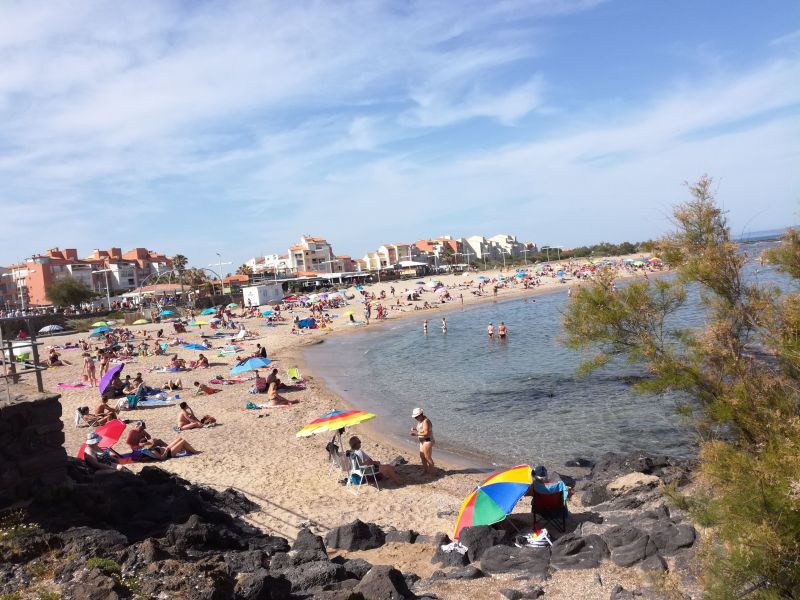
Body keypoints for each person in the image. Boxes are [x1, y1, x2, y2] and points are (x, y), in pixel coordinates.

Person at [410, 407, 435, 475]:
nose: (416, 418)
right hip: (422, 441)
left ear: (421, 414)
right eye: (415, 417)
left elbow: (426, 433)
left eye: (417, 416)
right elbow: (422, 429)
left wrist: (416, 434)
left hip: (427, 441)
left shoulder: (425, 421)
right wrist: (415, 428)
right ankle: (426, 470)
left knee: (427, 457)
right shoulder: (421, 420)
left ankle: (432, 472)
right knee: (422, 456)